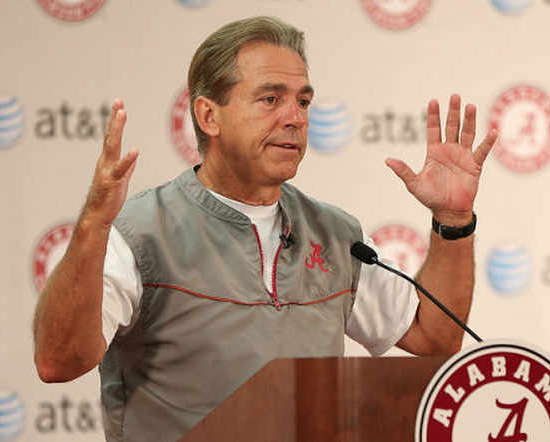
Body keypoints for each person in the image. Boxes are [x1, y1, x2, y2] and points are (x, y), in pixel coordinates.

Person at [32, 16, 497, 442]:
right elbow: (58, 362)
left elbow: (433, 336)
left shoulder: (337, 234)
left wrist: (453, 221)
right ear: (208, 116)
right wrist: (93, 224)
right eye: (271, 99)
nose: (295, 116)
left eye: (303, 101)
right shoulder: (137, 233)